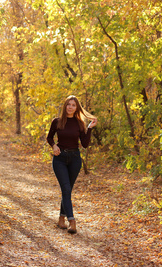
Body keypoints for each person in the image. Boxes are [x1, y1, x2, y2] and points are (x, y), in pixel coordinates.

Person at [46, 95, 97, 234]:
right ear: (65, 106)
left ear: (77, 108)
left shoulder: (79, 123)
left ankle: (61, 219)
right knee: (66, 189)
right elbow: (49, 137)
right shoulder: (57, 121)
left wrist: (90, 128)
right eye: (68, 104)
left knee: (67, 190)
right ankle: (72, 221)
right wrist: (54, 146)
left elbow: (85, 144)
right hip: (60, 159)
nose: (70, 107)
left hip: (75, 159)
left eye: (73, 105)